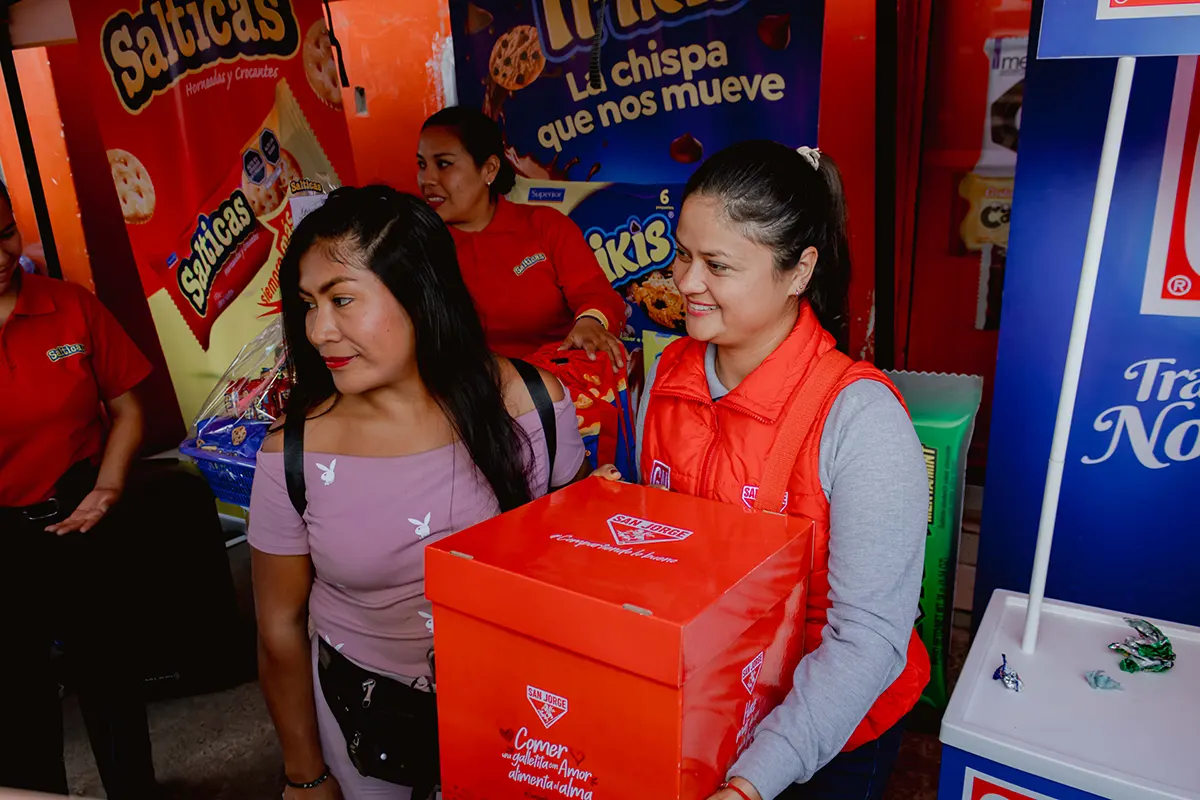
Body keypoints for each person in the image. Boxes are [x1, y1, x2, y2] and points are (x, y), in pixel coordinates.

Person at [600, 142, 929, 800]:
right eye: (682, 254)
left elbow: (867, 639)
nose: (686, 283)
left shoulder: (859, 419)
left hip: (825, 729)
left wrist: (755, 780)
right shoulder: (665, 375)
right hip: (706, 708)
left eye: (717, 265)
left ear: (799, 270)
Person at [249, 186, 587, 800]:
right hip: (368, 715)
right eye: (308, 305)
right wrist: (305, 774)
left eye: (342, 300)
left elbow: (572, 567)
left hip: (521, 709)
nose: (319, 331)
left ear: (420, 292)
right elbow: (279, 627)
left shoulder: (533, 406)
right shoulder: (294, 454)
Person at [0, 180, 157, 797]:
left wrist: (107, 488)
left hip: (80, 514)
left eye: (6, 233)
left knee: (111, 679)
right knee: (17, 698)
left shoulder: (69, 305)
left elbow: (128, 408)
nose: (1, 255)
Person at [417, 106, 626, 369]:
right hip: (465, 387)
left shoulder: (545, 226)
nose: (427, 179)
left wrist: (590, 322)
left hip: (556, 382)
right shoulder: (419, 243)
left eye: (443, 164)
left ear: (489, 169)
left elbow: (597, 296)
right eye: (422, 165)